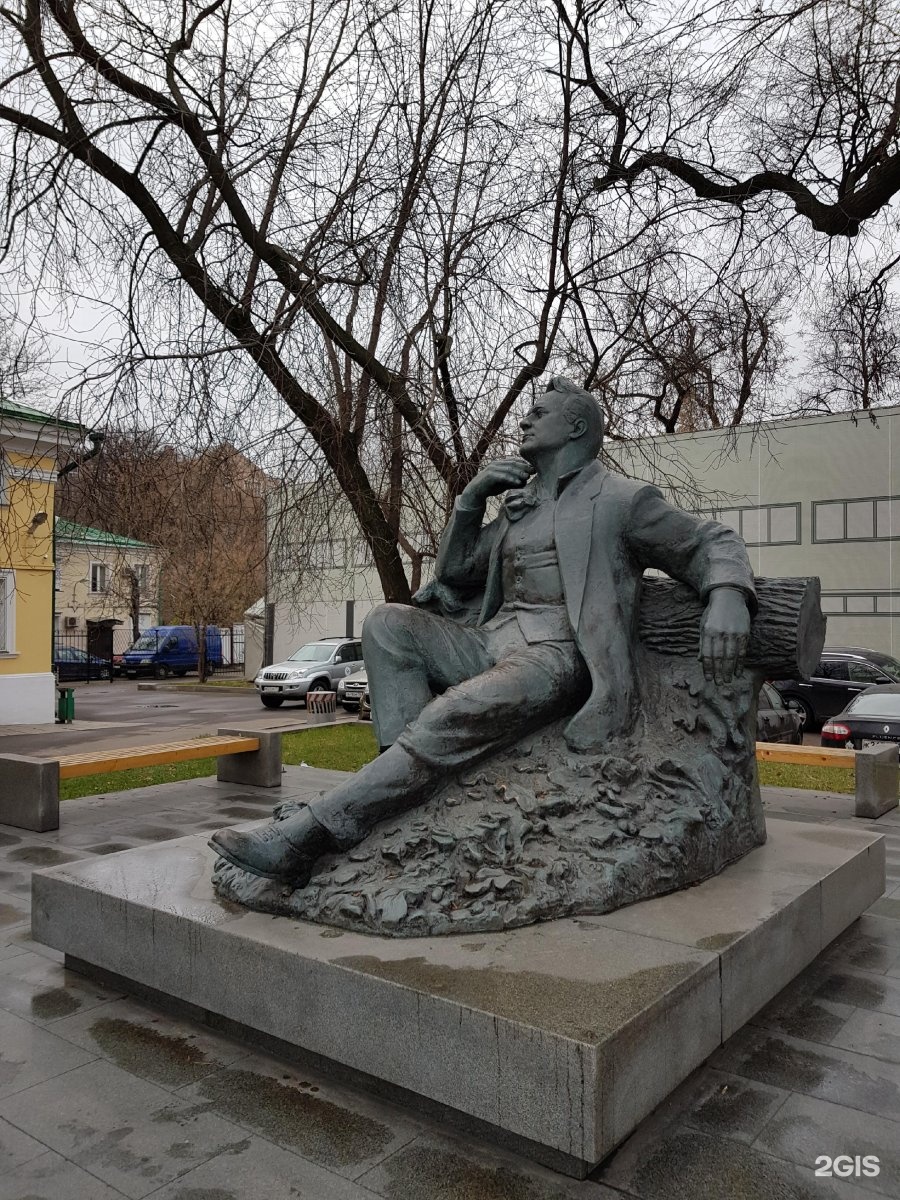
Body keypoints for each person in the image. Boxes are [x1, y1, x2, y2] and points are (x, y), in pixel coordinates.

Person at [210, 376, 755, 885]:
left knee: (451, 712)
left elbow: (710, 543)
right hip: (491, 640)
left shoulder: (621, 500)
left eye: (538, 413)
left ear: (577, 428)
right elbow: (456, 571)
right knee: (386, 625)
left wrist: (728, 595)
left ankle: (308, 839)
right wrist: (471, 501)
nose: (523, 422)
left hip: (555, 655)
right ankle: (386, 791)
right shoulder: (521, 507)